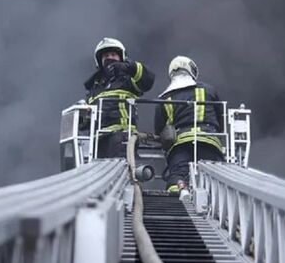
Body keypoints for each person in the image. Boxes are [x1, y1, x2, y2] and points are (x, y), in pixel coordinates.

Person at [154, 56, 224, 199]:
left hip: (180, 145)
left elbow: (159, 130)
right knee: (216, 178)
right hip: (209, 142)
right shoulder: (209, 90)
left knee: (177, 175)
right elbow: (220, 121)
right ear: (191, 71)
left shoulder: (165, 98)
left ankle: (177, 196)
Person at [84, 37, 155, 158]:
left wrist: (129, 68)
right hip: (98, 141)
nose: (109, 58)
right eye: (106, 56)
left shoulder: (127, 80)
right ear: (99, 61)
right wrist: (83, 118)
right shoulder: (95, 88)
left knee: (121, 168)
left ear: (121, 57)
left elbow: (147, 80)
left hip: (122, 137)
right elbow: (88, 119)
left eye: (113, 55)